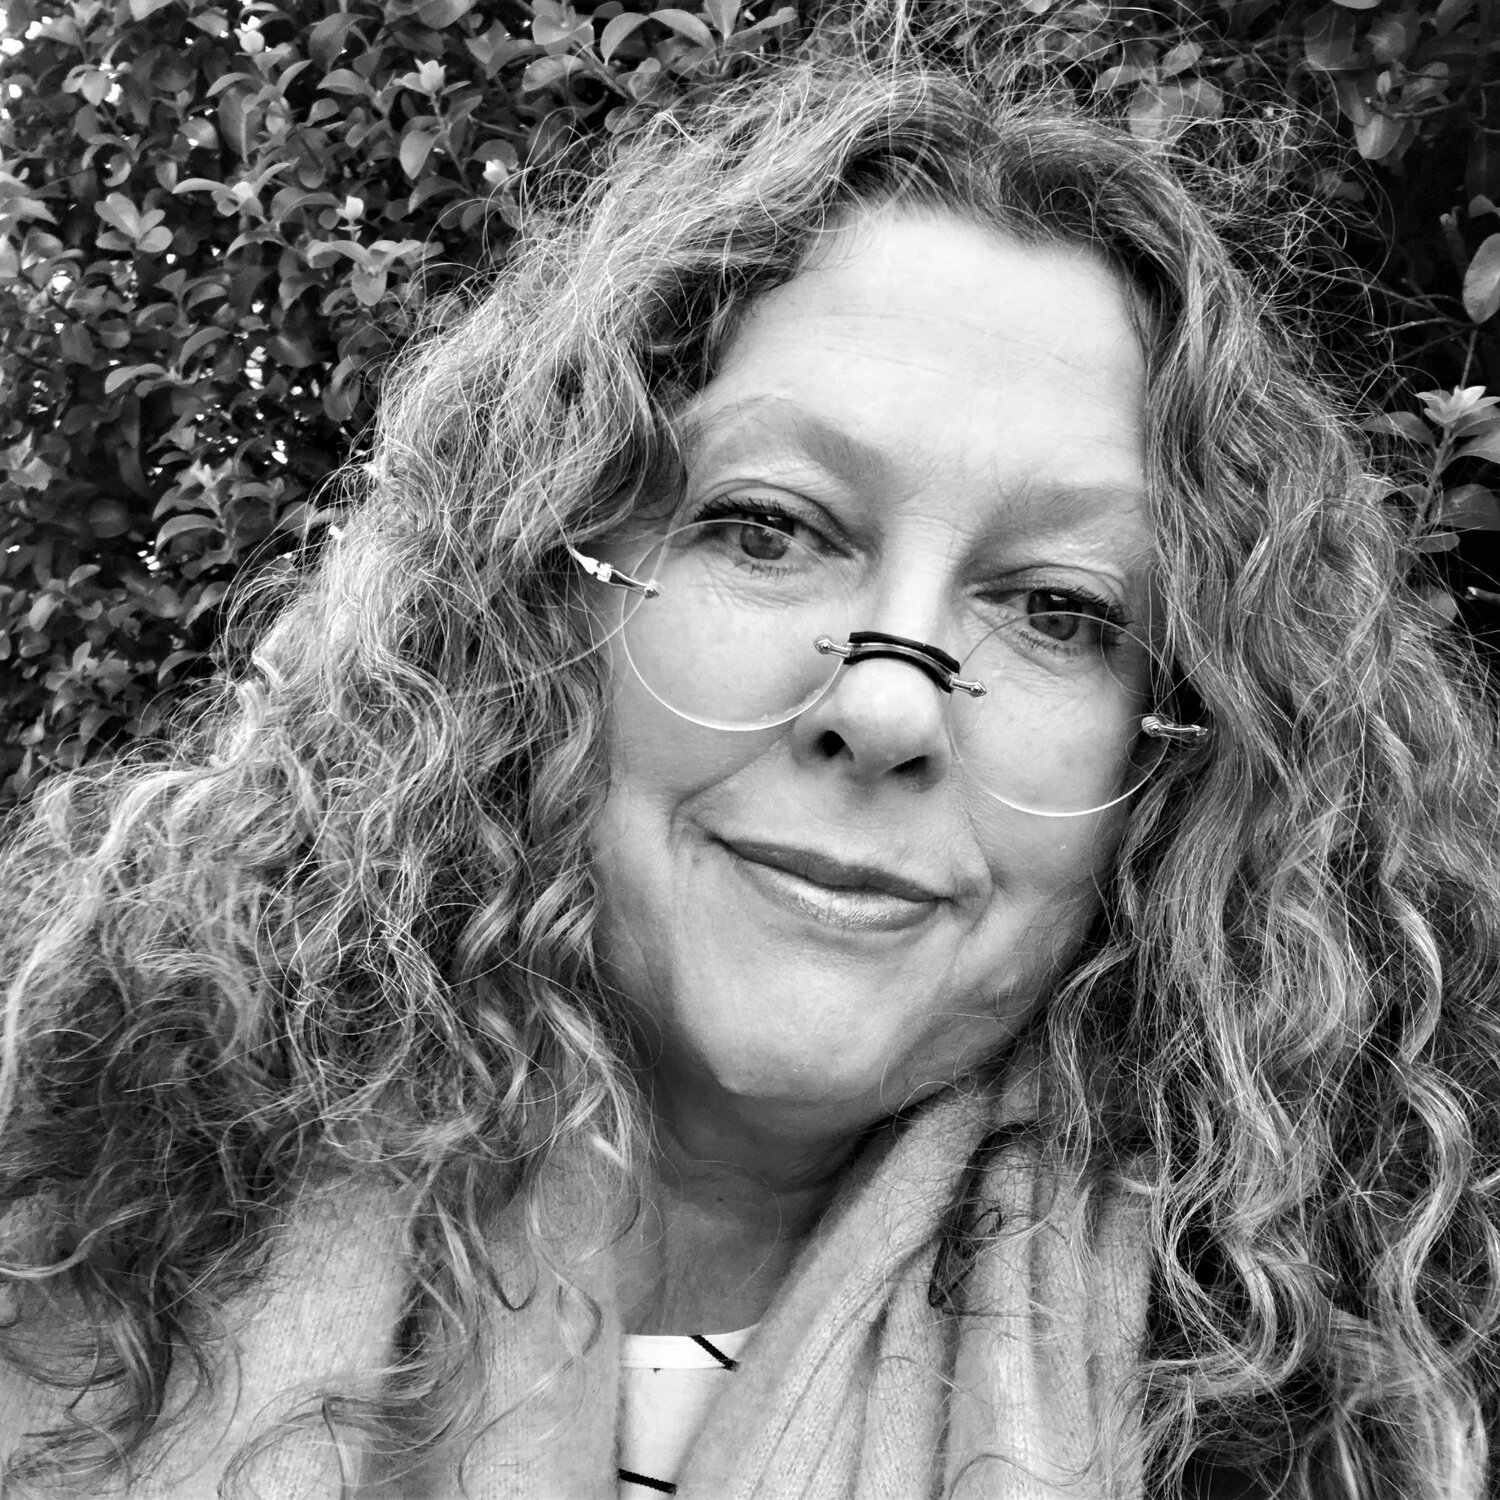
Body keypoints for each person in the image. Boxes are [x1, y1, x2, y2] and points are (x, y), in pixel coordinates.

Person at [1, 19, 1496, 1500]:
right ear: (539, 595)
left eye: (1062, 608)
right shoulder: (62, 1245)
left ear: (1181, 755)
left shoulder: (1338, 1430)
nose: (890, 710)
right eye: (769, 529)